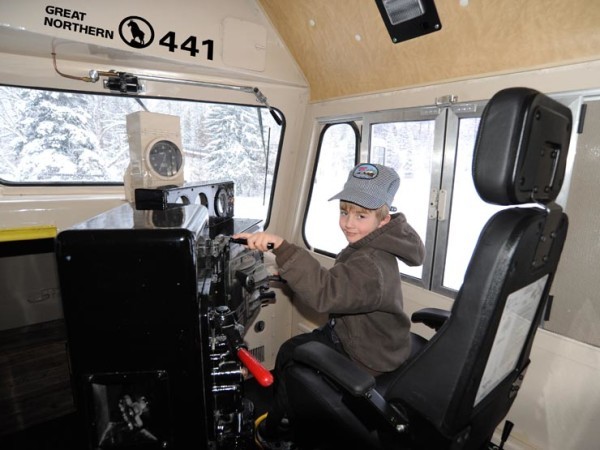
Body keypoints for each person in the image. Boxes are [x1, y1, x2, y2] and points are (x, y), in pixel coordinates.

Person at [233, 162, 425, 450]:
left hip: (368, 354)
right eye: (344, 211)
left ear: (384, 219)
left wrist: (283, 248)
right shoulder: (373, 244)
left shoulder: (371, 263)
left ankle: (279, 430)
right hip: (374, 338)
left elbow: (326, 293)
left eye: (361, 215)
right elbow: (343, 283)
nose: (349, 222)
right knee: (298, 347)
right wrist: (287, 272)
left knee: (290, 353)